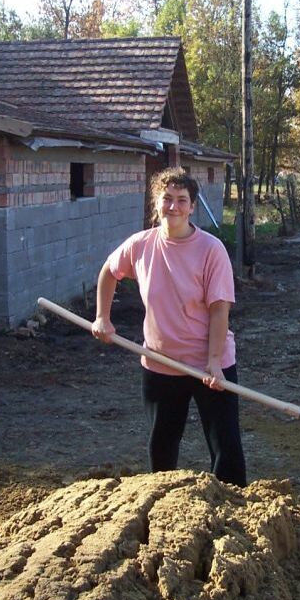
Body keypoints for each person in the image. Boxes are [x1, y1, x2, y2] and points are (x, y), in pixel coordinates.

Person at [91, 166, 247, 487]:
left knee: (226, 447)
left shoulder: (211, 250)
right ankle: (163, 503)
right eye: (167, 198)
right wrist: (102, 317)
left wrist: (214, 362)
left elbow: (220, 309)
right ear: (156, 202)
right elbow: (109, 270)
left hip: (210, 365)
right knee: (161, 445)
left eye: (182, 200)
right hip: (160, 363)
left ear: (192, 207)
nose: (173, 206)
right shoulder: (141, 245)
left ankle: (236, 507)